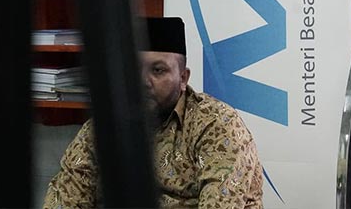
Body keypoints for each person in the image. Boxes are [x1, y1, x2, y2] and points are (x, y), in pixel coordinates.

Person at [44, 17, 263, 208]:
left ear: (183, 78)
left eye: (158, 70)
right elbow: (65, 198)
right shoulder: (103, 127)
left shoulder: (216, 125)